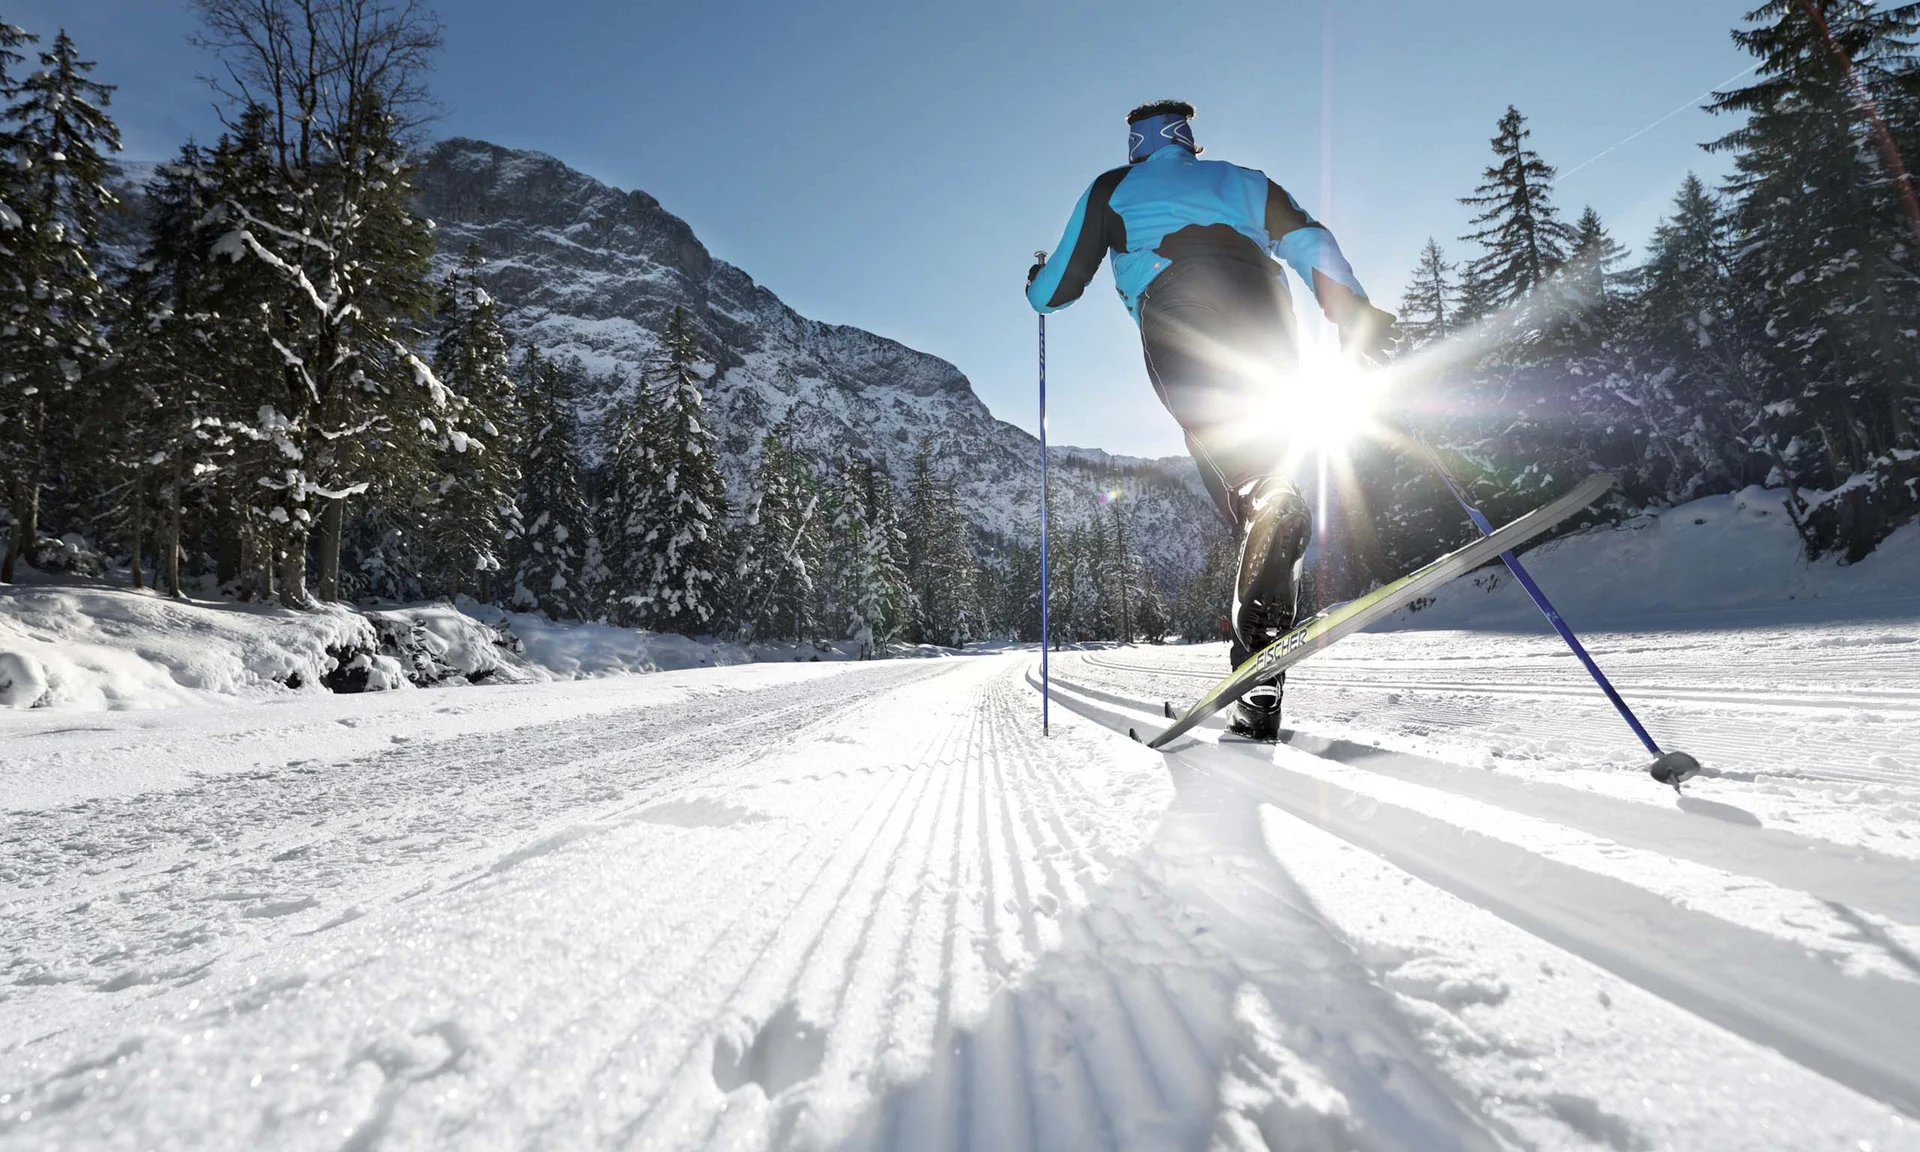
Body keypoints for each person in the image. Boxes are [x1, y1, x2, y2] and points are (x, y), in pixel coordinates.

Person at [1026, 99, 1399, 741]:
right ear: (1188, 141)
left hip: (1178, 309)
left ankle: (1257, 655)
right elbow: (1311, 240)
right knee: (1266, 482)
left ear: (1136, 145)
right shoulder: (1244, 181)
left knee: (1250, 486)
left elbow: (1058, 287)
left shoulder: (1113, 189)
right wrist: (1352, 311)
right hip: (1266, 310)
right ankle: (1259, 687)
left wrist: (1035, 281)